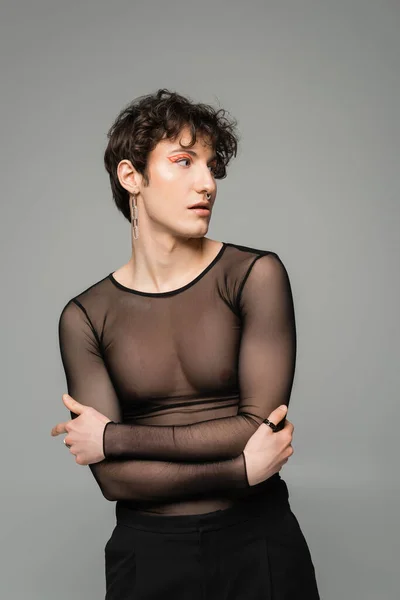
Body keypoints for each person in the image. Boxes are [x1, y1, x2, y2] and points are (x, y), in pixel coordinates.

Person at [51, 89, 320, 599]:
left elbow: (255, 426)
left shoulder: (254, 276)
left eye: (212, 166)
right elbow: (115, 482)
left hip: (259, 543)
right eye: (183, 161)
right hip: (148, 556)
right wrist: (240, 471)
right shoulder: (85, 316)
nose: (208, 183)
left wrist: (113, 437)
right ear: (131, 177)